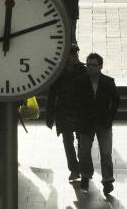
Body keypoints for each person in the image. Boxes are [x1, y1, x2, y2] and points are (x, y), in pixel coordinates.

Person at [75, 53, 120, 195]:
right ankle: (86, 175)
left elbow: (116, 100)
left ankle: (107, 180)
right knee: (83, 151)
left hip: (103, 122)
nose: (90, 68)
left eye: (93, 65)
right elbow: (74, 101)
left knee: (106, 152)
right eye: (88, 64)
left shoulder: (108, 82)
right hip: (85, 122)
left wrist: (110, 116)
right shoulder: (80, 81)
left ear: (100, 66)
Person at [46, 44, 86, 181]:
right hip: (64, 112)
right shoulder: (58, 72)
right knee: (68, 142)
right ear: (66, 56)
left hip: (79, 112)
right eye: (72, 54)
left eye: (76, 54)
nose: (75, 56)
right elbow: (52, 94)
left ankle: (81, 166)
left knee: (81, 141)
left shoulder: (82, 70)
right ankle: (74, 169)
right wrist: (50, 115)